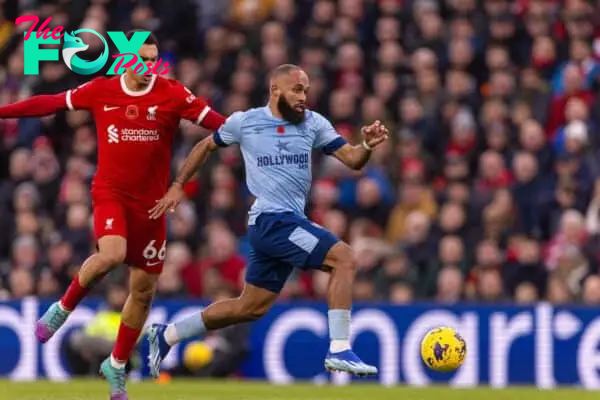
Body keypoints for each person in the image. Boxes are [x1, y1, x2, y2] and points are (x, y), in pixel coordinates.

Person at [0, 31, 225, 399]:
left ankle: (116, 365)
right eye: (143, 59)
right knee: (112, 254)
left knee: (144, 291)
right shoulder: (102, 89)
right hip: (111, 194)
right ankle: (62, 307)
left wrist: (261, 131)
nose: (150, 67)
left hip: (152, 205)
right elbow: (50, 103)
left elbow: (219, 123)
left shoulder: (171, 93)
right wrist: (3, 110)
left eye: (155, 60)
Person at [146, 64, 388, 377]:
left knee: (249, 307)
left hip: (283, 223)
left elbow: (353, 159)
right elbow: (205, 145)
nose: (303, 96)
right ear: (275, 90)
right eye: (297, 89)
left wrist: (366, 144)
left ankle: (167, 335)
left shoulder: (313, 123)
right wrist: (178, 185)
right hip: (272, 220)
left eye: (306, 90)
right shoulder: (245, 122)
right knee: (344, 258)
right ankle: (340, 347)